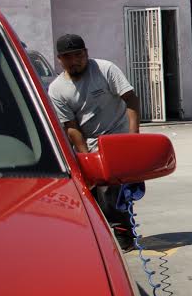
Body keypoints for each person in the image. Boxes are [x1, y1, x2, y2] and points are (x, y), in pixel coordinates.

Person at [47, 33, 141, 249]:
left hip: (118, 139)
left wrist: (133, 137)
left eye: (78, 55)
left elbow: (131, 99)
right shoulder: (57, 89)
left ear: (86, 53)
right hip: (89, 144)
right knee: (92, 194)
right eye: (68, 57)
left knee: (111, 192)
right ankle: (103, 237)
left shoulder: (105, 69)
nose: (74, 61)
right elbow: (71, 127)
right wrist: (85, 157)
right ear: (60, 59)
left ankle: (122, 237)